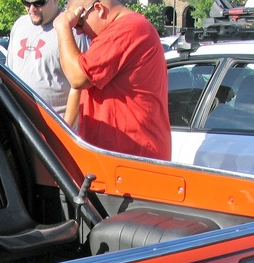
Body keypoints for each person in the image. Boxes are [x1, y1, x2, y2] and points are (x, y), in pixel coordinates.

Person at [53, 0, 170, 160]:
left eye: (79, 22)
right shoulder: (122, 29)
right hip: (117, 158)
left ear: (99, 9)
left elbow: (77, 78)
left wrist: (63, 27)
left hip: (132, 158)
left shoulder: (129, 28)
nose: (79, 31)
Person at [6, 0, 88, 126]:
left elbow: (80, 87)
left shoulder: (73, 30)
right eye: (26, 3)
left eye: (39, 3)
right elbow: (9, 73)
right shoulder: (19, 25)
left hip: (53, 129)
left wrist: (65, 131)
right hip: (19, 122)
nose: (31, 9)